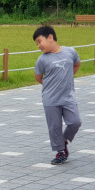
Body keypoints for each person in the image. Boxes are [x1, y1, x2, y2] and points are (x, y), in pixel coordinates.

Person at [33, 26, 82, 165]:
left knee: (75, 122)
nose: (38, 46)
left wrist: (67, 79)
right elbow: (38, 77)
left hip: (68, 97)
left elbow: (77, 64)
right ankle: (61, 152)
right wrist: (50, 87)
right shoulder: (42, 60)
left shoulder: (70, 52)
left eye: (39, 41)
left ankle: (64, 140)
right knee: (54, 127)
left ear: (50, 37)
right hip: (50, 99)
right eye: (36, 43)